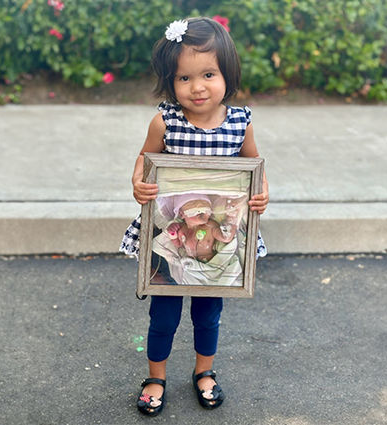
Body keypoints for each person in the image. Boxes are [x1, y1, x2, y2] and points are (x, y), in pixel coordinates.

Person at [118, 17, 268, 416]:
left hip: (217, 239)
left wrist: (260, 194)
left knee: (208, 311)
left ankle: (205, 371)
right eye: (184, 78)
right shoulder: (165, 121)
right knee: (163, 312)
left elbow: (253, 165)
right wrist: (139, 184)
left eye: (208, 74)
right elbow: (144, 160)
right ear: (171, 82)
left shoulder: (241, 123)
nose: (197, 87)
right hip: (170, 236)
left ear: (227, 74)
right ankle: (156, 376)